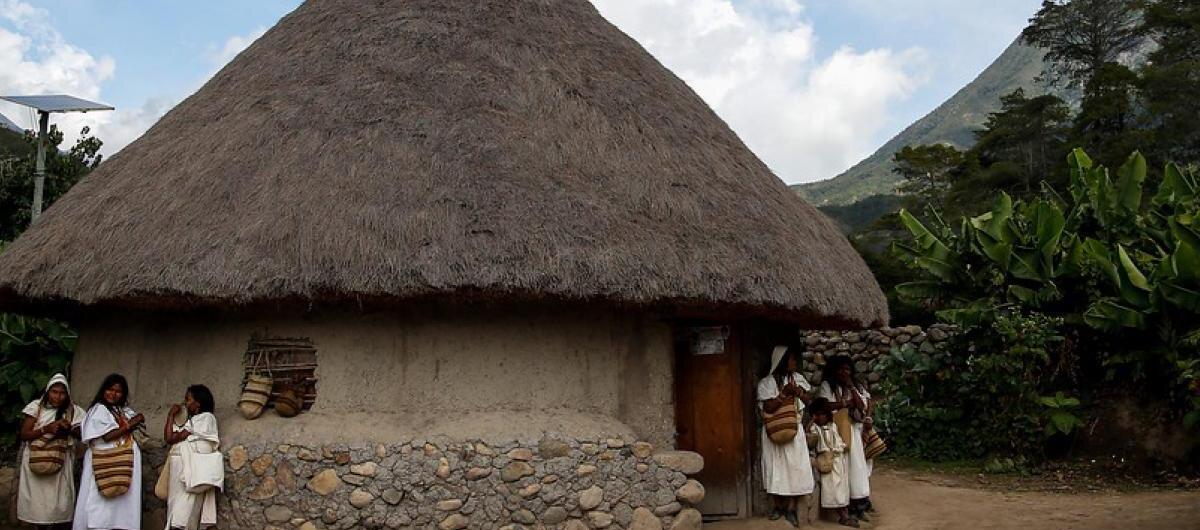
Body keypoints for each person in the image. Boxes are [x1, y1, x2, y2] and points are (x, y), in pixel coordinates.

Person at [74, 373, 144, 530]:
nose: (113, 394)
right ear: (103, 390)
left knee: (121, 504)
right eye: (110, 389)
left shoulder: (122, 411)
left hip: (122, 462)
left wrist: (134, 420)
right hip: (104, 461)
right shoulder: (98, 410)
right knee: (99, 502)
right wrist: (129, 425)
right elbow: (107, 436)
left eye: (118, 391)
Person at [18, 373, 88, 529]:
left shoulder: (73, 411)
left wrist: (68, 428)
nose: (58, 396)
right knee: (38, 506)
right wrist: (46, 429)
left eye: (62, 393)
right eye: (54, 392)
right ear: (48, 391)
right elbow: (24, 434)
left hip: (61, 462)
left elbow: (82, 435)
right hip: (36, 459)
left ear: (67, 394)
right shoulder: (36, 407)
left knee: (59, 504)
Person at [757, 345, 814, 527]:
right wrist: (784, 394)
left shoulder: (798, 379)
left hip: (794, 431)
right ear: (781, 362)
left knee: (795, 469)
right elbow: (768, 408)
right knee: (776, 468)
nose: (794, 362)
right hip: (774, 432)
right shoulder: (766, 383)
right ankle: (777, 506)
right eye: (791, 359)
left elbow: (809, 401)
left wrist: (799, 393)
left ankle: (790, 508)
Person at [817, 356, 875, 521]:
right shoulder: (827, 386)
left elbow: (863, 406)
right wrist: (843, 404)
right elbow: (824, 405)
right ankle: (845, 507)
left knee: (857, 470)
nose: (845, 372)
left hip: (854, 432)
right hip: (836, 432)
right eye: (841, 369)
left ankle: (859, 504)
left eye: (848, 369)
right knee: (842, 471)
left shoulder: (855, 386)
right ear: (834, 370)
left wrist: (851, 388)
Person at [162, 385, 219, 530]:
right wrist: (170, 417)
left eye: (188, 399)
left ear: (198, 403)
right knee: (177, 508)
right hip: (183, 471)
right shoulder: (192, 421)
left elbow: (172, 438)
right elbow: (169, 437)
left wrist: (170, 416)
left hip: (192, 472)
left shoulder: (206, 418)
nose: (185, 403)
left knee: (185, 511)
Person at [809, 398, 856, 528]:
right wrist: (812, 421)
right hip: (827, 462)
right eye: (818, 414)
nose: (821, 417)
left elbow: (839, 441)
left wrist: (841, 447)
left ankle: (845, 513)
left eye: (823, 414)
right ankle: (843, 515)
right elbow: (810, 437)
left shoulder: (833, 426)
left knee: (842, 488)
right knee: (834, 489)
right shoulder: (815, 428)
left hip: (838, 460)